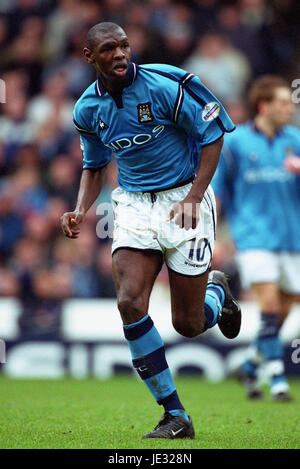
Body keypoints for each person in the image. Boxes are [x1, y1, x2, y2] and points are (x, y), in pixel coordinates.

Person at [61, 22, 241, 439]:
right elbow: (93, 164)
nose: (120, 54)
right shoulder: (87, 108)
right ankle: (174, 414)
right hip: (134, 205)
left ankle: (218, 294)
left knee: (189, 324)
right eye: (108, 49)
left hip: (185, 197)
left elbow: (213, 135)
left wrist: (195, 196)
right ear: (90, 57)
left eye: (124, 45)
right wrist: (80, 209)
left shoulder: (163, 86)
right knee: (128, 301)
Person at [212, 75, 300, 402]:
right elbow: (217, 192)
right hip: (253, 236)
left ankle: (250, 364)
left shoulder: (295, 139)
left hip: (293, 237)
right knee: (270, 305)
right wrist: (213, 236)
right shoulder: (234, 143)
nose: (289, 108)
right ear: (263, 106)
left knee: (285, 310)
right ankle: (276, 379)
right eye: (282, 102)